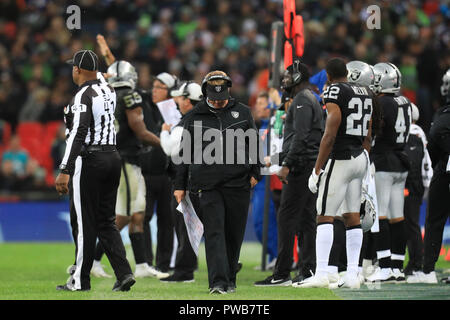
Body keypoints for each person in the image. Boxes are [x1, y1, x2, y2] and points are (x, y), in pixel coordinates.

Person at [173, 70, 260, 294]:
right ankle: (218, 282)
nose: (218, 102)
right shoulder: (194, 116)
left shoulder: (243, 113)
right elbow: (184, 153)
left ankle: (229, 278)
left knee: (234, 234)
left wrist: (256, 174)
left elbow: (255, 146)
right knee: (214, 232)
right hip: (207, 184)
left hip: (238, 183)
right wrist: (179, 185)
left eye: (221, 98)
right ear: (205, 93)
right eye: (213, 97)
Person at [55, 49, 135, 292]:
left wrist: (65, 169)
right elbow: (100, 76)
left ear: (77, 70)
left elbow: (78, 134)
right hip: (112, 157)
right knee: (105, 221)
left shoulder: (83, 96)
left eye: (73, 66)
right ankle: (124, 274)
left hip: (90, 160)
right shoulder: (108, 89)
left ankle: (80, 281)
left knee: (84, 222)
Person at [297, 57, 374, 289]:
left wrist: (317, 168)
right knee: (353, 216)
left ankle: (322, 272)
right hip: (360, 156)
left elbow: (330, 134)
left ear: (328, 76)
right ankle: (352, 274)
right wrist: (365, 156)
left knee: (324, 215)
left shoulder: (334, 91)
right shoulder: (365, 91)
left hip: (341, 157)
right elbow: (369, 131)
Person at [90, 59, 168, 279]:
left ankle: (142, 264)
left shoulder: (106, 97)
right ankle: (92, 261)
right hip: (125, 160)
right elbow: (141, 132)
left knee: (137, 214)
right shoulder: (129, 96)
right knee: (123, 216)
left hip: (120, 159)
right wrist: (166, 145)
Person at [254, 60, 323, 287]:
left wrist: (285, 164)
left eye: (287, 76)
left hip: (301, 167)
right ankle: (307, 270)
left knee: (287, 219)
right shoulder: (307, 97)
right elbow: (300, 139)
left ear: (297, 77)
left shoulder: (303, 99)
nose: (284, 80)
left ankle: (282, 272)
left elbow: (301, 138)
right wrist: (279, 160)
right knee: (305, 221)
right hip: (306, 165)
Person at [365, 62, 413, 284]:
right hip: (401, 161)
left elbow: (376, 129)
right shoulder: (405, 101)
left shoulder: (381, 102)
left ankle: (384, 267)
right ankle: (397, 267)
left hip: (384, 160)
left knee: (381, 215)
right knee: (398, 216)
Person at [407, 69, 450, 284]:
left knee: (434, 220)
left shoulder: (443, 114)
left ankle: (428, 270)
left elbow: (434, 143)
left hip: (446, 169)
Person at [159, 81, 203, 283]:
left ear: (188, 100)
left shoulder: (187, 122)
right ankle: (188, 267)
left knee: (185, 227)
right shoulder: (205, 120)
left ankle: (184, 271)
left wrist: (164, 131)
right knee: (194, 227)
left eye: (181, 98)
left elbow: (171, 149)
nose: (177, 102)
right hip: (199, 179)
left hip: (186, 181)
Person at [141, 72, 178, 273]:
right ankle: (146, 262)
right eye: (153, 86)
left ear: (170, 91)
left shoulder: (175, 111)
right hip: (146, 172)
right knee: (143, 218)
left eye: (159, 87)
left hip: (168, 174)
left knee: (167, 220)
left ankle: (164, 264)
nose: (154, 91)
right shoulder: (145, 104)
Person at [403, 103, 433, 278]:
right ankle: (413, 261)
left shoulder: (413, 131)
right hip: (419, 182)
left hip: (412, 182)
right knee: (409, 223)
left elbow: (413, 160)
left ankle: (416, 263)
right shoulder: (419, 131)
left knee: (410, 223)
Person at [251, 91, 278, 269]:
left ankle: (277, 255)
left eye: (263, 103)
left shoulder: (276, 125)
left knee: (264, 221)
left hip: (271, 179)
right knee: (259, 222)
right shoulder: (261, 127)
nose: (259, 106)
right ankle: (272, 256)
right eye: (258, 103)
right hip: (259, 179)